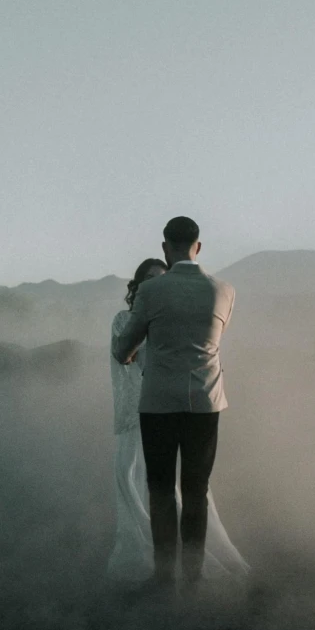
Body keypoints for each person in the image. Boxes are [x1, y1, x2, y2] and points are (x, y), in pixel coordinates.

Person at [110, 216, 237, 592]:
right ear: (198, 247)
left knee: (161, 490)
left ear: (166, 247)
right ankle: (193, 580)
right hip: (205, 402)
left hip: (159, 403)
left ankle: (164, 577)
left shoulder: (151, 293)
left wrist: (133, 351)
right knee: (196, 489)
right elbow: (214, 337)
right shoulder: (225, 290)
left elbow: (123, 349)